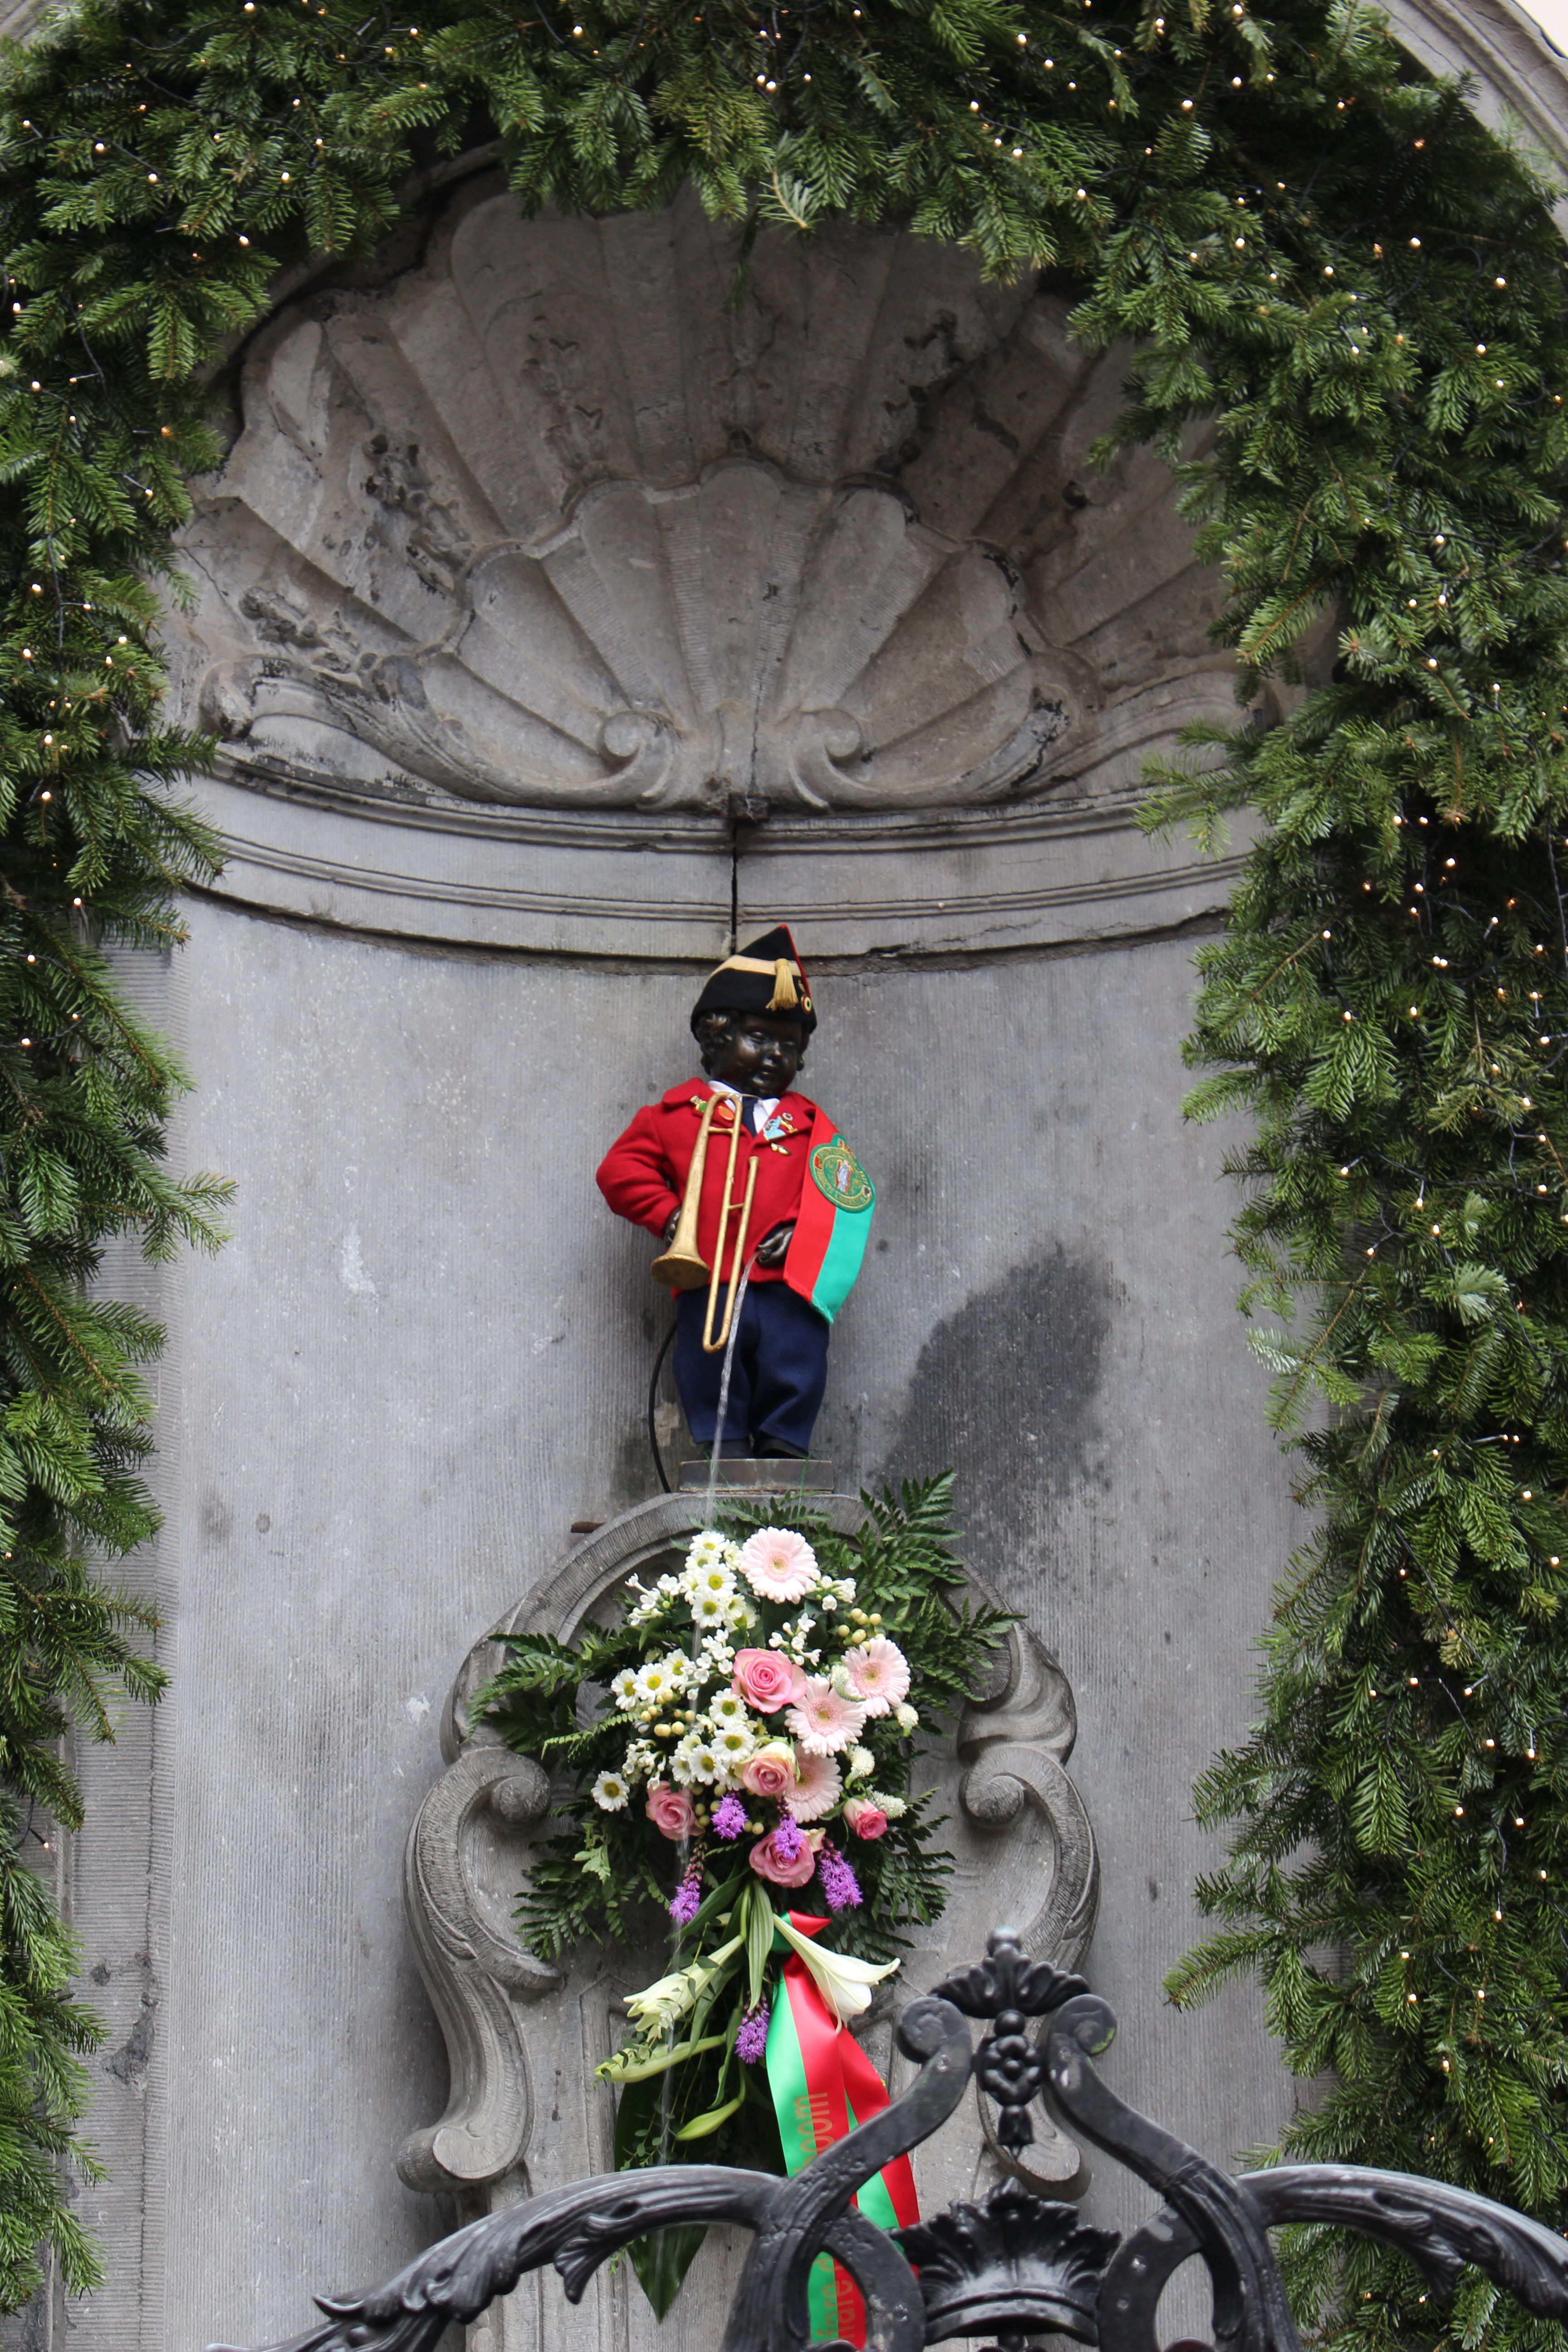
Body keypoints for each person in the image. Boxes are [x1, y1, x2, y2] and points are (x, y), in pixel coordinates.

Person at [596, 926, 874, 1459]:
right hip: (711, 1274)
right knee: (706, 1358)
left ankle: (784, 1440)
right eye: (759, 1039)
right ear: (715, 1038)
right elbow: (620, 1170)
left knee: (796, 1357)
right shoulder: (676, 1115)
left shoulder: (811, 1124)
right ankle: (723, 1444)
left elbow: (846, 1195)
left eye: (789, 1047)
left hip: (786, 1281)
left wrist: (803, 1230)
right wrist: (671, 1215)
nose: (775, 1056)